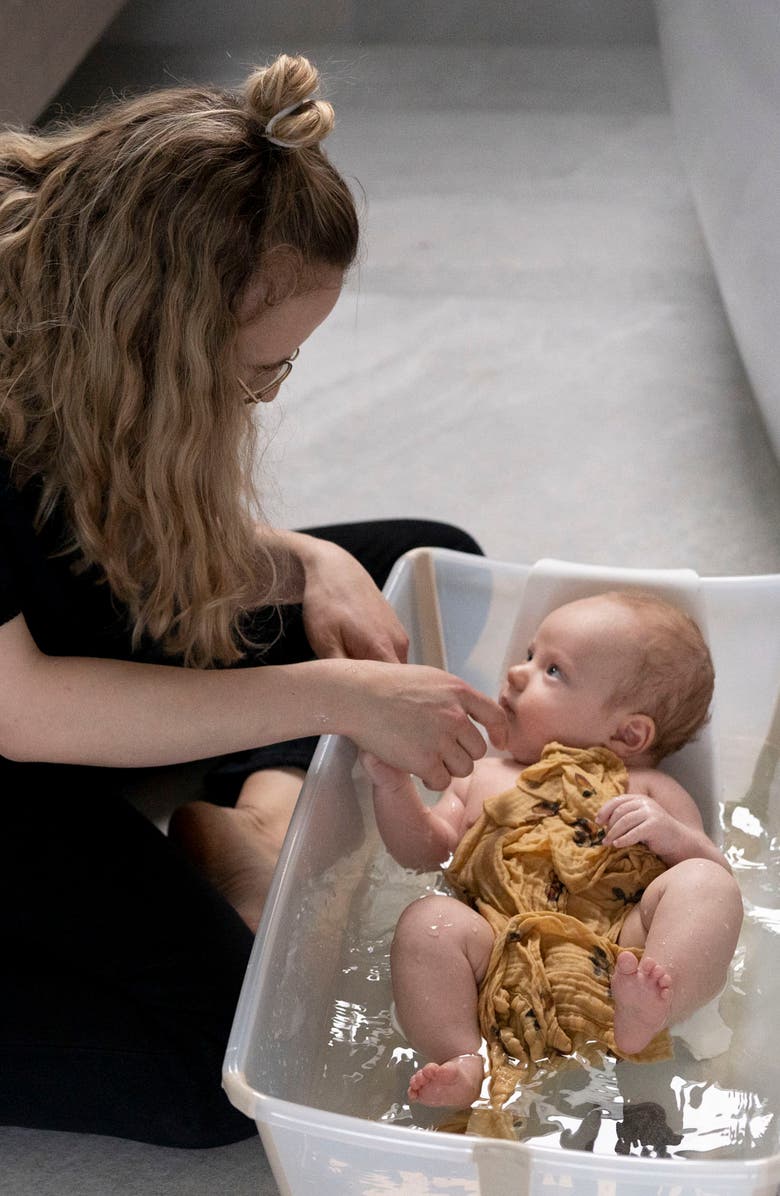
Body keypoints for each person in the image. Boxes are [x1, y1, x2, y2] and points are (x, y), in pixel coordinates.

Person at [0, 54, 507, 1147]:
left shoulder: (71, 287)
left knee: (413, 562)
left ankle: (255, 819)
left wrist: (306, 564)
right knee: (220, 1061)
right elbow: (22, 708)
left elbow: (96, 521)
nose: (267, 395)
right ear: (159, 336)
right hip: (15, 713)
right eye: (252, 372)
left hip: (27, 626)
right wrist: (334, 694)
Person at [364, 591, 743, 1111]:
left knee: (706, 884)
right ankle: (461, 1055)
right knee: (429, 921)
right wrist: (392, 789)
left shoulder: (649, 788)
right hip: (495, 947)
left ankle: (656, 1005)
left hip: (620, 957)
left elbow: (708, 871)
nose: (516, 673)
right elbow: (426, 852)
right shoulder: (485, 775)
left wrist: (675, 837)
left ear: (628, 733)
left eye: (553, 671)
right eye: (527, 654)